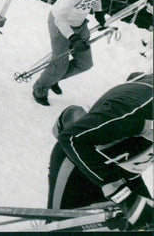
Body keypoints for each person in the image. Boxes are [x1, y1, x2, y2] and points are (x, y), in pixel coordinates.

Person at [54, 72, 153, 230]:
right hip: (80, 165)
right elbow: (72, 138)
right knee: (61, 229)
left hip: (125, 173)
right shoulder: (143, 108)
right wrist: (123, 195)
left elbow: (134, 76)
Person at [32, 0, 119, 106]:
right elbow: (59, 18)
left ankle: (54, 78)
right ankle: (40, 88)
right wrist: (73, 38)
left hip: (79, 23)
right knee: (60, 64)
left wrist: (98, 12)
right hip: (61, 24)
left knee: (85, 63)